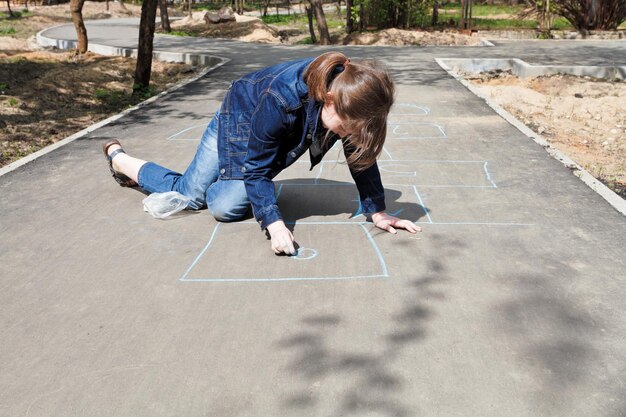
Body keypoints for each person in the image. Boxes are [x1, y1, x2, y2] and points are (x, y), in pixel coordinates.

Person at [103, 51, 421, 255]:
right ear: (328, 99)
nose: (347, 135)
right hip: (239, 118)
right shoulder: (282, 99)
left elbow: (360, 155)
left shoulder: (352, 96)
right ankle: (120, 158)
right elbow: (257, 168)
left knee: (224, 194)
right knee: (211, 201)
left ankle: (227, 180)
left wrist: (376, 209)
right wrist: (274, 222)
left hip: (268, 129)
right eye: (345, 126)